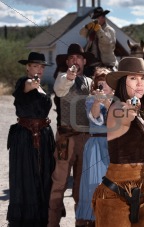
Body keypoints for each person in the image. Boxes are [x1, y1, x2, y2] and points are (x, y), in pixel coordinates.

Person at [91, 57, 144, 226]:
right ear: (123, 82)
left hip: (140, 188)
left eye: (143, 78)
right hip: (116, 192)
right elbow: (123, 115)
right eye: (133, 78)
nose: (140, 83)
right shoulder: (118, 107)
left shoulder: (139, 111)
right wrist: (129, 112)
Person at [7, 52, 55, 226]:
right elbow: (28, 85)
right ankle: (25, 219)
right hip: (26, 136)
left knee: (44, 175)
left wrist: (38, 84)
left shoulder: (44, 86)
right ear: (27, 67)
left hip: (44, 135)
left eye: (41, 66)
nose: (39, 69)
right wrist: (32, 83)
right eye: (35, 66)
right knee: (26, 174)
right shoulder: (24, 82)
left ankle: (42, 217)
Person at [48, 43, 93, 227]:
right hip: (66, 139)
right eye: (71, 58)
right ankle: (52, 223)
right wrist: (69, 77)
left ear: (83, 61)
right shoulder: (62, 77)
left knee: (82, 187)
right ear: (67, 62)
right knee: (59, 183)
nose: (75, 61)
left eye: (78, 58)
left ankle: (81, 223)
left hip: (86, 139)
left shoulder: (90, 82)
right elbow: (59, 90)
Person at [75, 67, 113, 226]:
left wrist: (106, 100)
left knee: (111, 185)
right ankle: (92, 219)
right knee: (93, 184)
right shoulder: (91, 99)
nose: (103, 87)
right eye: (100, 84)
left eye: (106, 84)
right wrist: (99, 101)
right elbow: (95, 117)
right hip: (96, 146)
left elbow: (115, 118)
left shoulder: (117, 101)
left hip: (112, 145)